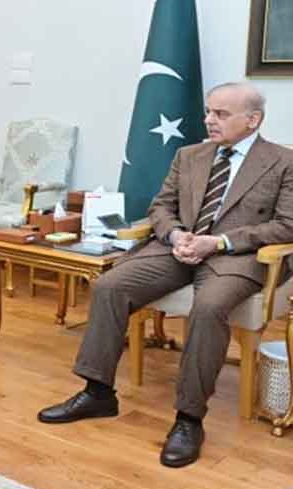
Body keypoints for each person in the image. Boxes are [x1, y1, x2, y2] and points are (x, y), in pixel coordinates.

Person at [37, 82, 293, 467]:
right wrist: (175, 235)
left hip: (234, 257)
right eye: (208, 111)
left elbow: (286, 225)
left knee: (208, 307)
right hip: (177, 249)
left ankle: (189, 419)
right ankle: (98, 392)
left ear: (253, 119)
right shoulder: (188, 155)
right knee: (109, 285)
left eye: (221, 114)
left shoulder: (283, 162)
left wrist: (218, 242)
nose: (209, 120)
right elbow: (160, 207)